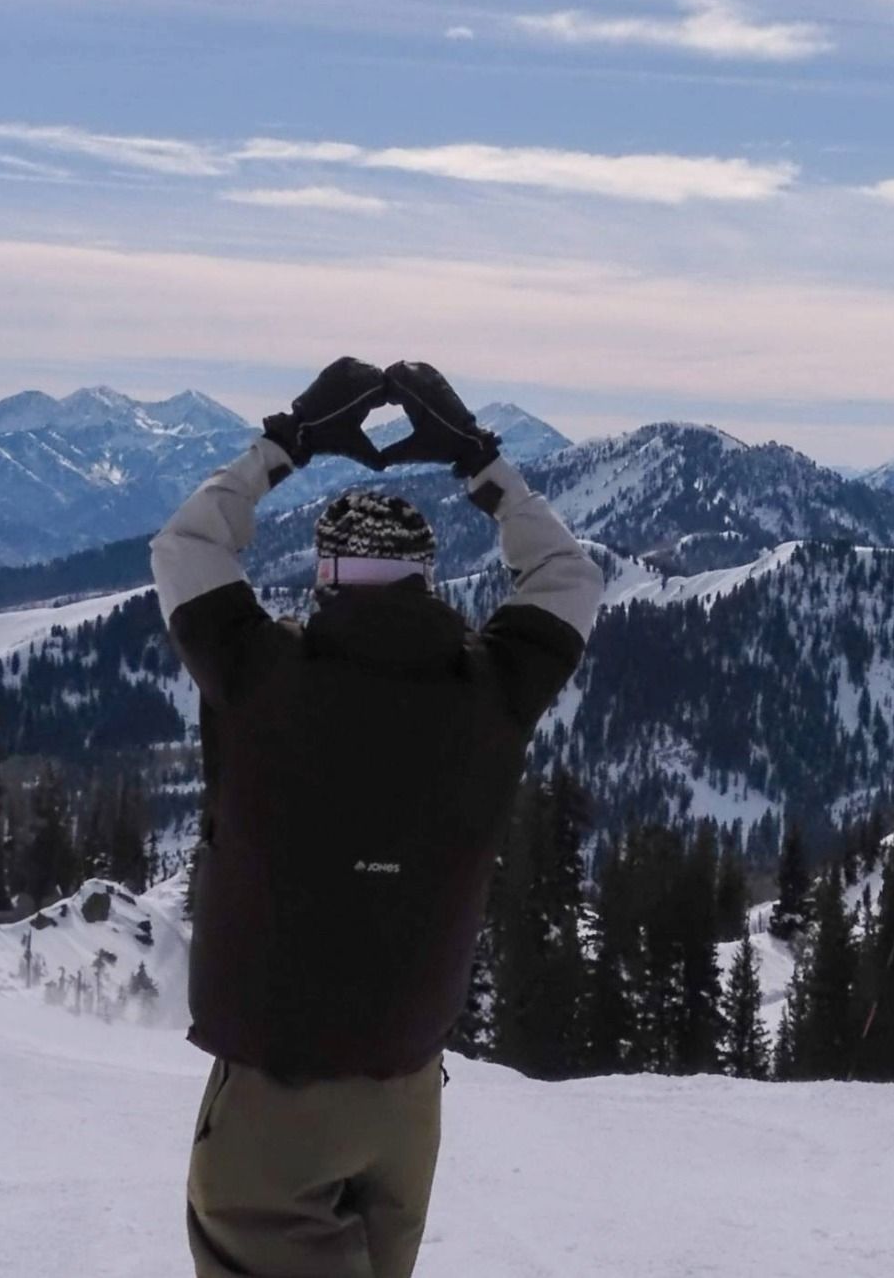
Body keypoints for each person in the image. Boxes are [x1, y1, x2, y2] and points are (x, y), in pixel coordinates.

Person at [150, 358, 607, 1278]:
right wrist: (482, 462)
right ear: (425, 580)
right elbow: (568, 576)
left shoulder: (256, 678)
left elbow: (187, 547)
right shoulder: (491, 692)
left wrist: (287, 444)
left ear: (324, 574)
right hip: (406, 1097)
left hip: (278, 1092)